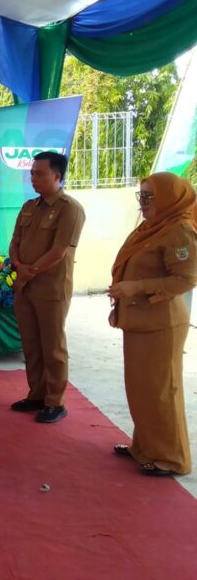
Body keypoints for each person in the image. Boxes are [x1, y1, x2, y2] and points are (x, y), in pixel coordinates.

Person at [108, 172, 197, 477]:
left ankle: (171, 457)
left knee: (161, 390)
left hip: (162, 322)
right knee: (141, 389)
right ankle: (145, 447)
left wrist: (135, 287)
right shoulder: (152, 227)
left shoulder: (180, 231)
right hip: (140, 319)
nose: (143, 203)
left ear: (170, 199)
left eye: (149, 197)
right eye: (141, 196)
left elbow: (186, 279)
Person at [9, 152, 85, 423]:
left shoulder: (70, 208)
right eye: (32, 173)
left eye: (40, 174)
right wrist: (18, 265)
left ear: (57, 176)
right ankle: (37, 394)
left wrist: (29, 271)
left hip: (51, 289)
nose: (33, 178)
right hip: (25, 287)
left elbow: (59, 251)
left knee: (53, 347)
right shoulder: (29, 206)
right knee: (31, 345)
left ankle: (55, 401)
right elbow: (15, 242)